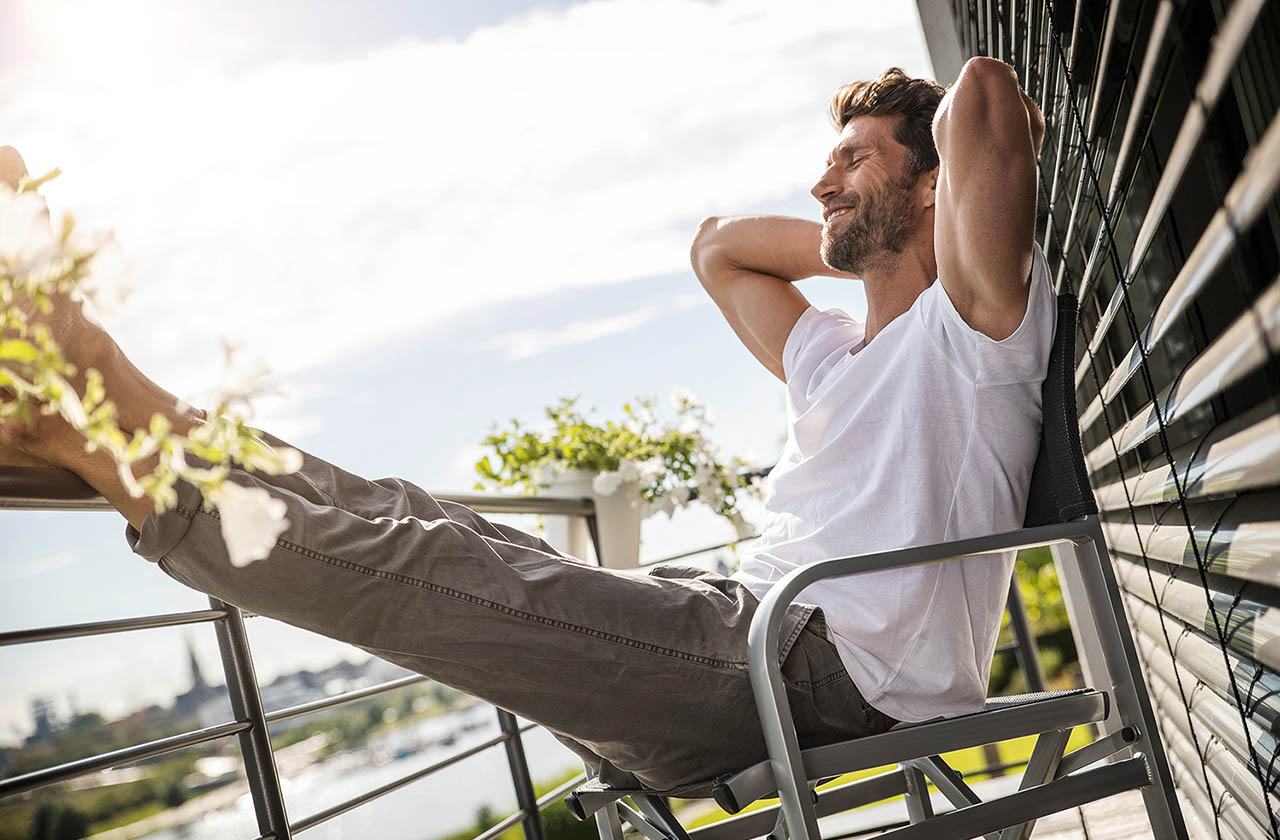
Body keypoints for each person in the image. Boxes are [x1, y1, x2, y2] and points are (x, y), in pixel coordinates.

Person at [0, 57, 1049, 795]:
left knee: (421, 567)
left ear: (930, 190)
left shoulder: (970, 332)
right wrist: (852, 224)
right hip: (739, 624)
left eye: (855, 159)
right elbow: (713, 248)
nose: (821, 180)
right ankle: (117, 394)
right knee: (417, 518)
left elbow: (983, 97)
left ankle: (91, 434)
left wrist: (900, 214)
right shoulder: (828, 352)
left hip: (818, 676)